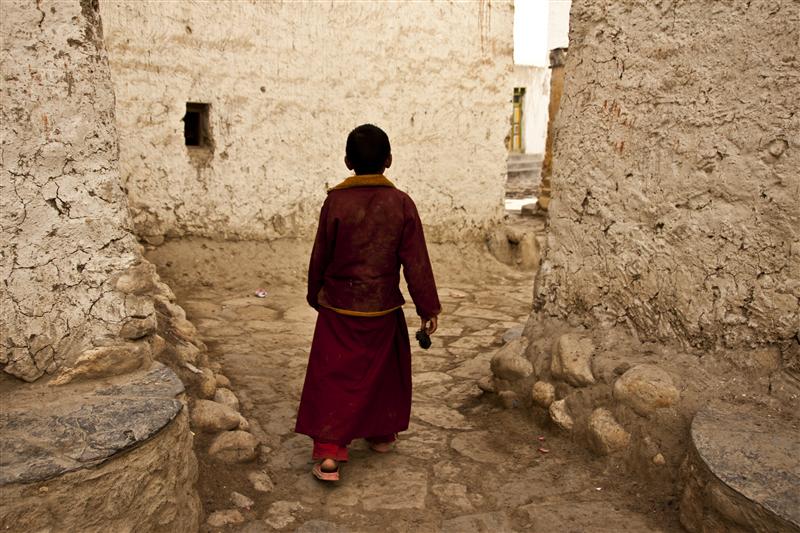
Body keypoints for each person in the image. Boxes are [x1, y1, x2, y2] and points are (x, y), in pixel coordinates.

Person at [294, 124, 441, 482]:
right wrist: (427, 308)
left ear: (347, 161)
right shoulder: (402, 204)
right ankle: (379, 434)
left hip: (339, 307)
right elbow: (416, 260)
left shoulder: (335, 203)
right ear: (389, 160)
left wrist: (317, 295)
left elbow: (320, 256)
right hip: (382, 307)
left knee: (334, 376)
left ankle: (330, 452)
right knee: (382, 371)